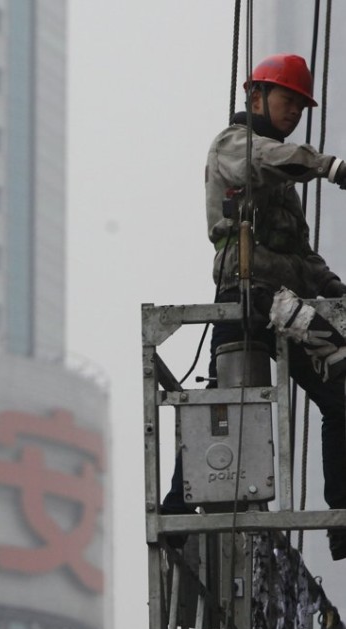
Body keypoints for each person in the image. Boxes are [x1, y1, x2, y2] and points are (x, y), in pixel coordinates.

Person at [161, 54, 346, 560]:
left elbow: (301, 256)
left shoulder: (282, 177)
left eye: (300, 107)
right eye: (289, 101)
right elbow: (267, 157)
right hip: (245, 297)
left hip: (289, 303)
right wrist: (327, 166)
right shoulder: (234, 146)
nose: (294, 113)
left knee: (341, 394)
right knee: (225, 407)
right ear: (256, 96)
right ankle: (178, 510)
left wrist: (335, 289)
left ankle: (343, 516)